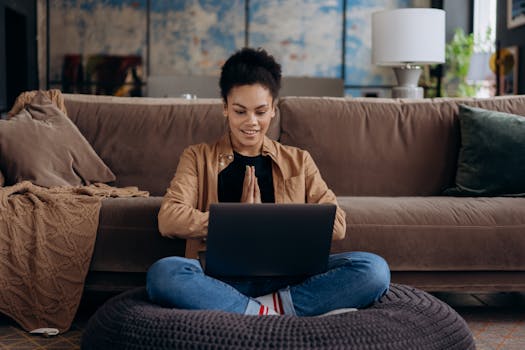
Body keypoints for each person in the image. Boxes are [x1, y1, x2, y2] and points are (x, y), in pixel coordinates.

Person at [146, 47, 390, 316]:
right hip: (218, 279)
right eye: (240, 111)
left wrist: (267, 221)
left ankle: (254, 311)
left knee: (374, 270)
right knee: (163, 274)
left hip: (289, 278)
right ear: (225, 108)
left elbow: (338, 225)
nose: (251, 122)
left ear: (273, 109)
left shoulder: (299, 160)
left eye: (260, 112)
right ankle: (277, 312)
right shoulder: (197, 156)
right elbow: (168, 218)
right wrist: (237, 221)